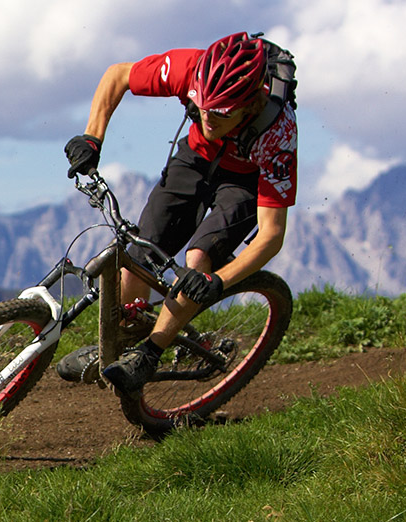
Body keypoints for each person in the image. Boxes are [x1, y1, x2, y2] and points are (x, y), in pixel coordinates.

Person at [58, 31, 297, 392]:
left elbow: (271, 235)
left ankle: (150, 353)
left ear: (249, 106)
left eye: (220, 113)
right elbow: (118, 75)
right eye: (200, 105)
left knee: (198, 257)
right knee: (139, 252)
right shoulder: (191, 69)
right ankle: (119, 339)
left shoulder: (278, 133)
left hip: (246, 180)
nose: (207, 116)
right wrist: (93, 137)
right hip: (195, 158)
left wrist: (216, 281)